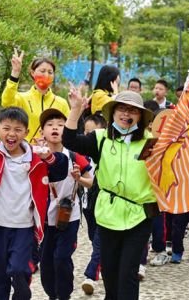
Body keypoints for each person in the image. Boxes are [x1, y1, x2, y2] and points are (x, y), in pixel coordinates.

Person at [0, 107, 68, 300]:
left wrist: (48, 157)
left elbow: (61, 169)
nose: (11, 134)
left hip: (23, 229)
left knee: (19, 271)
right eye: (6, 128)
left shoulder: (35, 157)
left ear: (26, 132)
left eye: (18, 130)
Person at [63, 89, 157, 300]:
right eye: (121, 109)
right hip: (108, 213)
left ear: (140, 116)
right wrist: (76, 109)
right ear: (113, 113)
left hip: (140, 215)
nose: (126, 114)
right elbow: (69, 140)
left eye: (133, 110)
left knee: (128, 273)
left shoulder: (152, 143)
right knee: (110, 272)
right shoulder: (101, 138)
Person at [38, 109, 93, 300]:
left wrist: (80, 179)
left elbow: (91, 181)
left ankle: (64, 295)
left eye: (61, 125)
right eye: (50, 125)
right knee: (45, 263)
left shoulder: (73, 156)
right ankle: (52, 295)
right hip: (44, 218)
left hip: (69, 215)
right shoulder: (36, 156)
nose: (55, 128)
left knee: (61, 258)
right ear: (42, 132)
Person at [1, 49, 70, 142]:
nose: (46, 75)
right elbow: (6, 102)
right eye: (42, 71)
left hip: (52, 153)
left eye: (50, 72)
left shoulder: (62, 103)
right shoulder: (22, 98)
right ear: (33, 73)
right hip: (27, 152)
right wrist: (15, 72)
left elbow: (69, 130)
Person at [81, 114, 107, 295]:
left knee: (99, 241)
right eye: (85, 132)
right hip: (87, 205)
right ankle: (106, 264)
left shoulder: (107, 151)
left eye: (91, 133)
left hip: (104, 205)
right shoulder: (82, 153)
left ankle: (91, 275)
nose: (87, 136)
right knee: (94, 238)